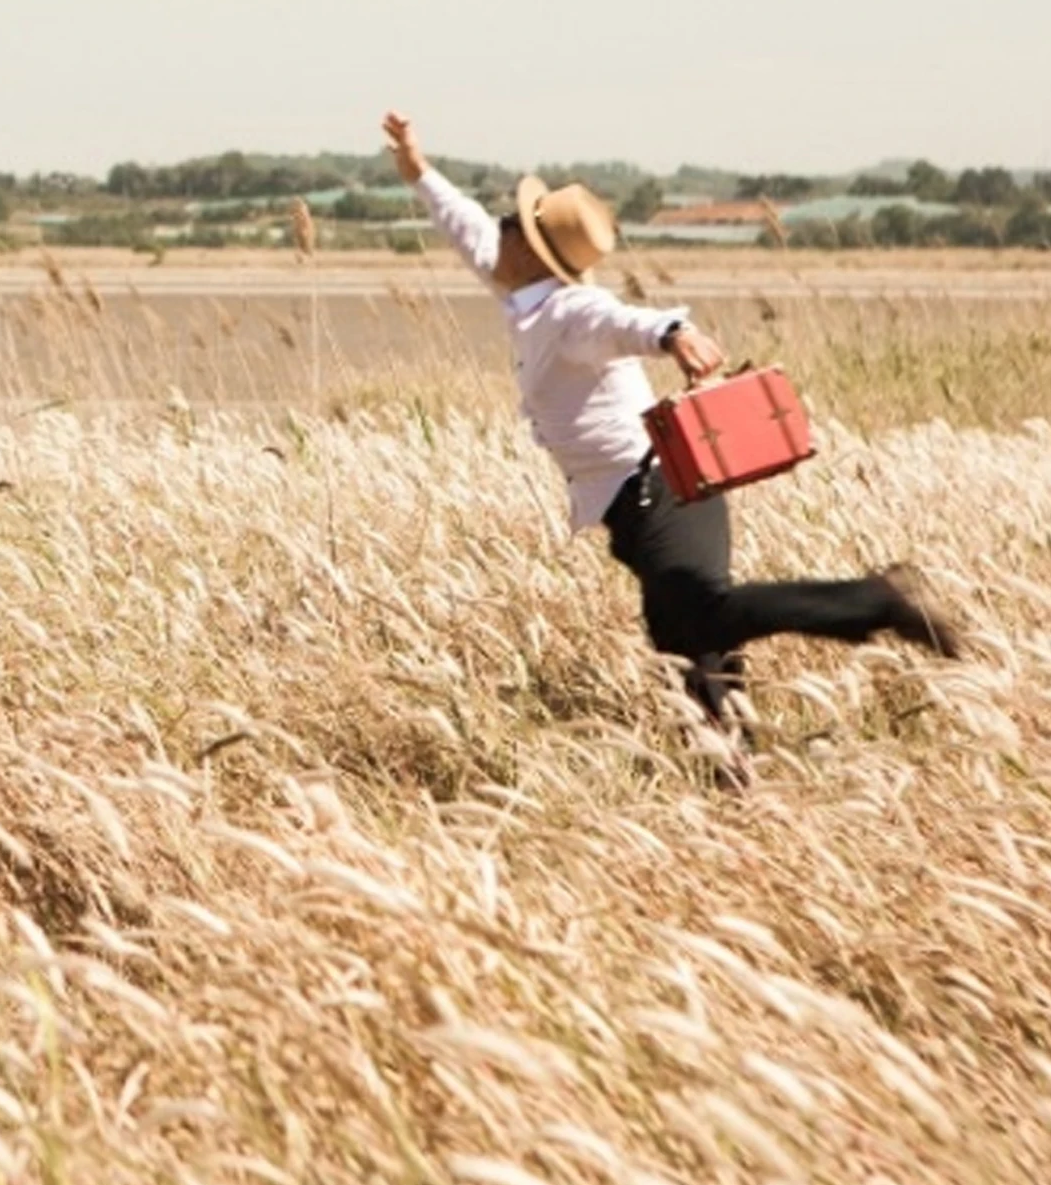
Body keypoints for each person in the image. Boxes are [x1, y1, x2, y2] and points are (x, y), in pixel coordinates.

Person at [382, 110, 961, 749]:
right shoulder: (523, 295)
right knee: (684, 643)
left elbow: (623, 321)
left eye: (509, 225)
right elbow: (463, 225)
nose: (496, 231)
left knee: (705, 612)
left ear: (528, 248)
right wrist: (416, 166)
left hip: (660, 486)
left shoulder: (572, 309)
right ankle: (732, 772)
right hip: (631, 501)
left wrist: (673, 333)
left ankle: (878, 600)